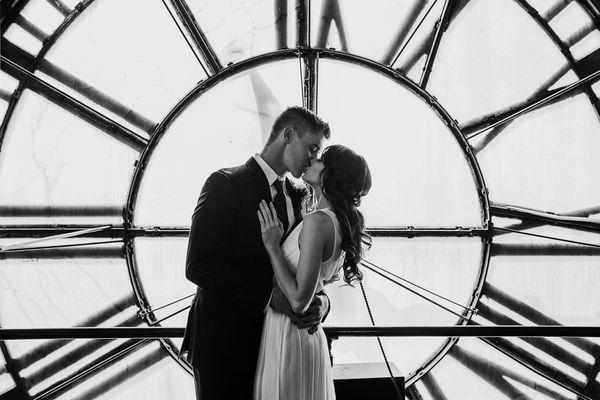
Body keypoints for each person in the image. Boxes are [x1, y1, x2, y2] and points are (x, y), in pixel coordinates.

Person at [181, 106, 332, 399]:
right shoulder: (225, 184)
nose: (313, 159)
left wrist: (321, 304)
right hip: (225, 349)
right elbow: (200, 265)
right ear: (288, 135)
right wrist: (271, 296)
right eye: (311, 148)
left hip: (280, 349)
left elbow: (309, 266)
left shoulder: (301, 197)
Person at [255, 144, 372, 400]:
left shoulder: (318, 221)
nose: (313, 160)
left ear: (331, 175)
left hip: (289, 332)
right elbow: (320, 283)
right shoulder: (337, 221)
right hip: (305, 336)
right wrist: (323, 301)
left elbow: (298, 301)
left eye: (321, 160)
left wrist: (273, 247)